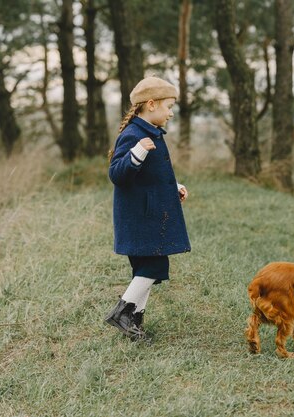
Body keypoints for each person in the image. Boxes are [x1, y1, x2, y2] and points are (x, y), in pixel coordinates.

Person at [104, 76, 191, 341]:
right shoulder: (134, 135)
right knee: (153, 267)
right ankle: (121, 313)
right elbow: (117, 175)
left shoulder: (149, 132)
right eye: (168, 106)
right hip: (142, 217)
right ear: (151, 104)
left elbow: (151, 174)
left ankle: (134, 325)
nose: (171, 112)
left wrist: (173, 186)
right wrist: (137, 153)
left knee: (144, 270)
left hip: (148, 212)